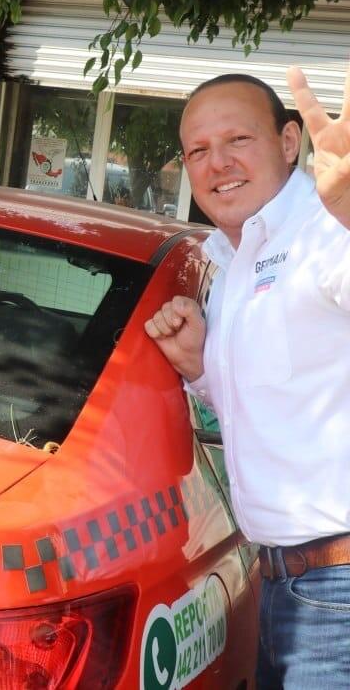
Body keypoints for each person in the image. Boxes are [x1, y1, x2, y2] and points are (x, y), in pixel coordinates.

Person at [144, 68, 350, 688]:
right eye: (199, 151)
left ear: (290, 143)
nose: (218, 164)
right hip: (284, 582)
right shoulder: (229, 260)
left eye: (238, 140)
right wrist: (199, 365)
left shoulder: (326, 233)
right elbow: (271, 400)